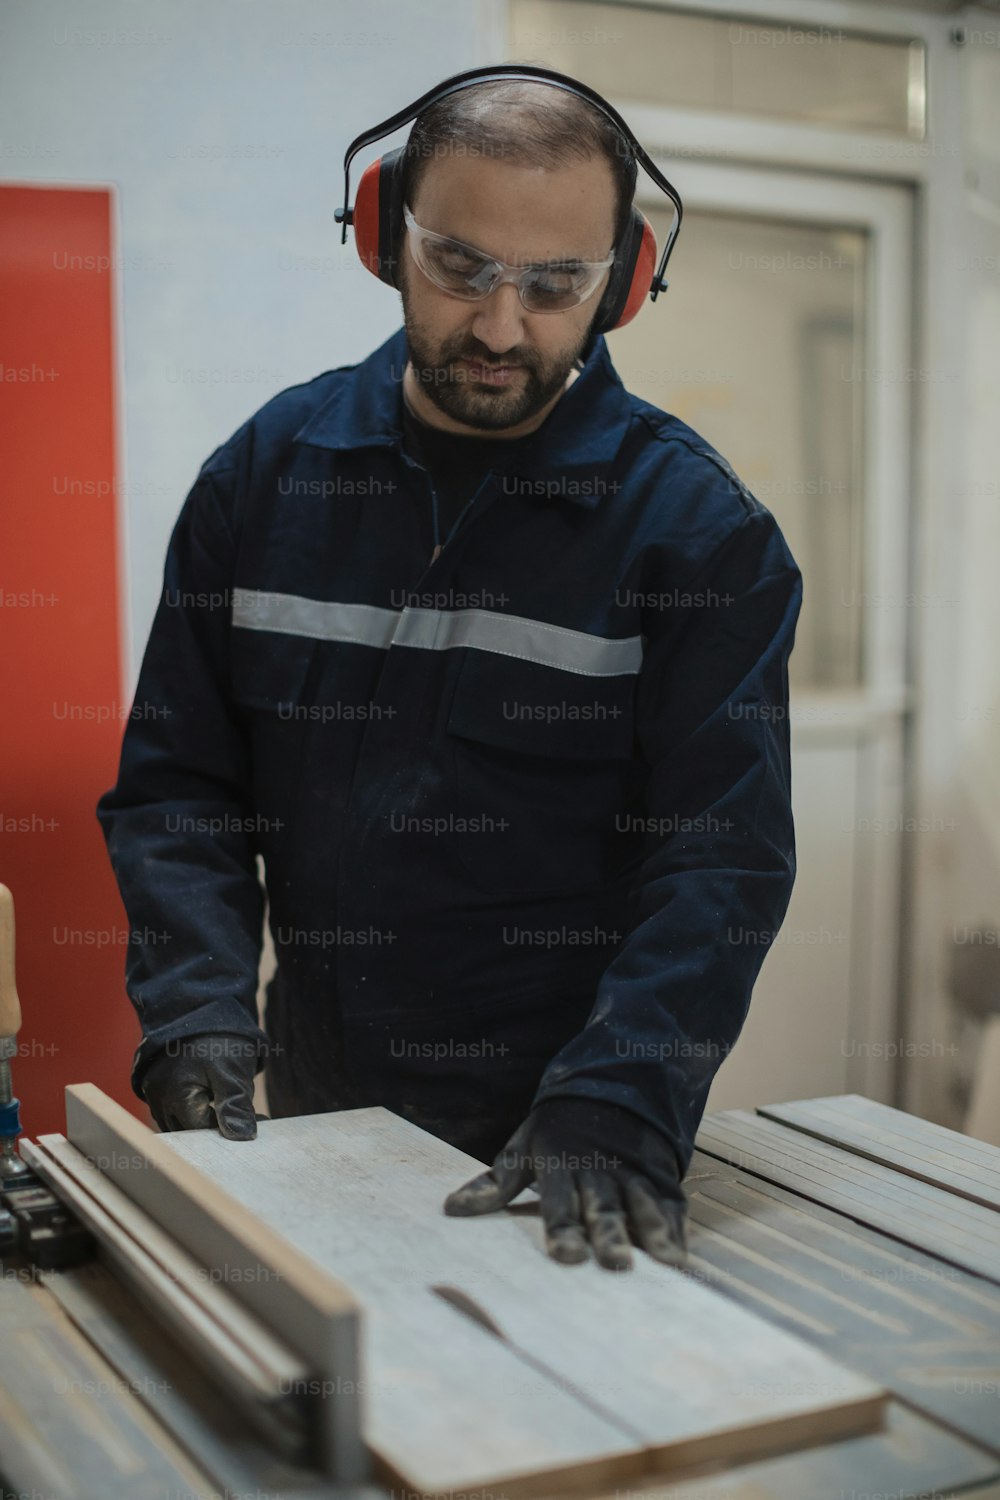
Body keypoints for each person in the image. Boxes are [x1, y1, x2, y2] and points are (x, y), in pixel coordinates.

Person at [97, 70, 802, 1272]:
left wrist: (621, 1097)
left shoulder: (695, 535)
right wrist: (194, 1013)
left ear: (625, 281)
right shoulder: (264, 480)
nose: (499, 326)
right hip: (314, 1116)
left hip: (560, 1140)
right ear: (383, 235)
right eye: (460, 265)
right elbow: (182, 793)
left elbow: (717, 855)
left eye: (554, 281)